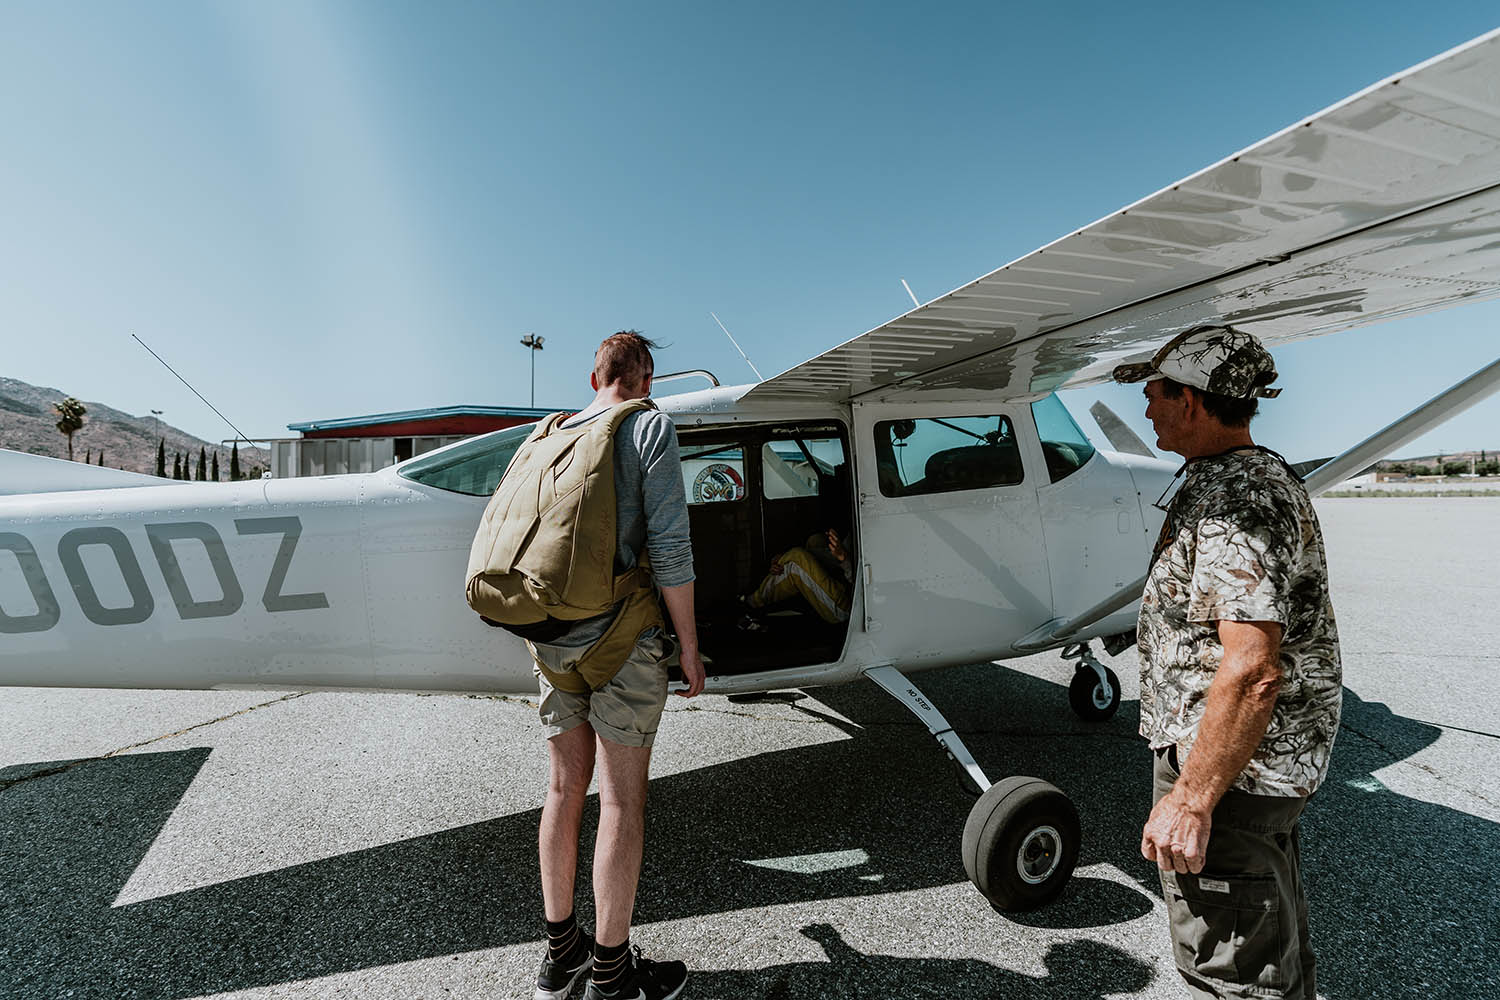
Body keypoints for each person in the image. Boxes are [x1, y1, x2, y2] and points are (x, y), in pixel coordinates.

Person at [1114, 325, 1342, 1000]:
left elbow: (1252, 669)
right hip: (1245, 767)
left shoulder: (1235, 500)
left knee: (1231, 964)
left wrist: (1191, 799)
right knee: (1267, 944)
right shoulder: (1238, 478)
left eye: (1154, 391)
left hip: (1232, 773)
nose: (1146, 406)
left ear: (1191, 400)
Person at [527, 332, 704, 1000]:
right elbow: (672, 545)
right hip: (621, 640)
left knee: (562, 790)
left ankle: (558, 958)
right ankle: (610, 977)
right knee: (621, 801)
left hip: (550, 643)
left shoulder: (552, 431)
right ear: (647, 380)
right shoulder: (650, 425)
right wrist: (687, 644)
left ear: (595, 374)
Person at [739, 526, 854, 628]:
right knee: (815, 540)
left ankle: (751, 604)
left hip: (849, 607)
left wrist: (844, 558)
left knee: (796, 560)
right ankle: (783, 567)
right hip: (840, 580)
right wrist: (784, 557)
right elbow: (834, 558)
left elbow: (863, 584)